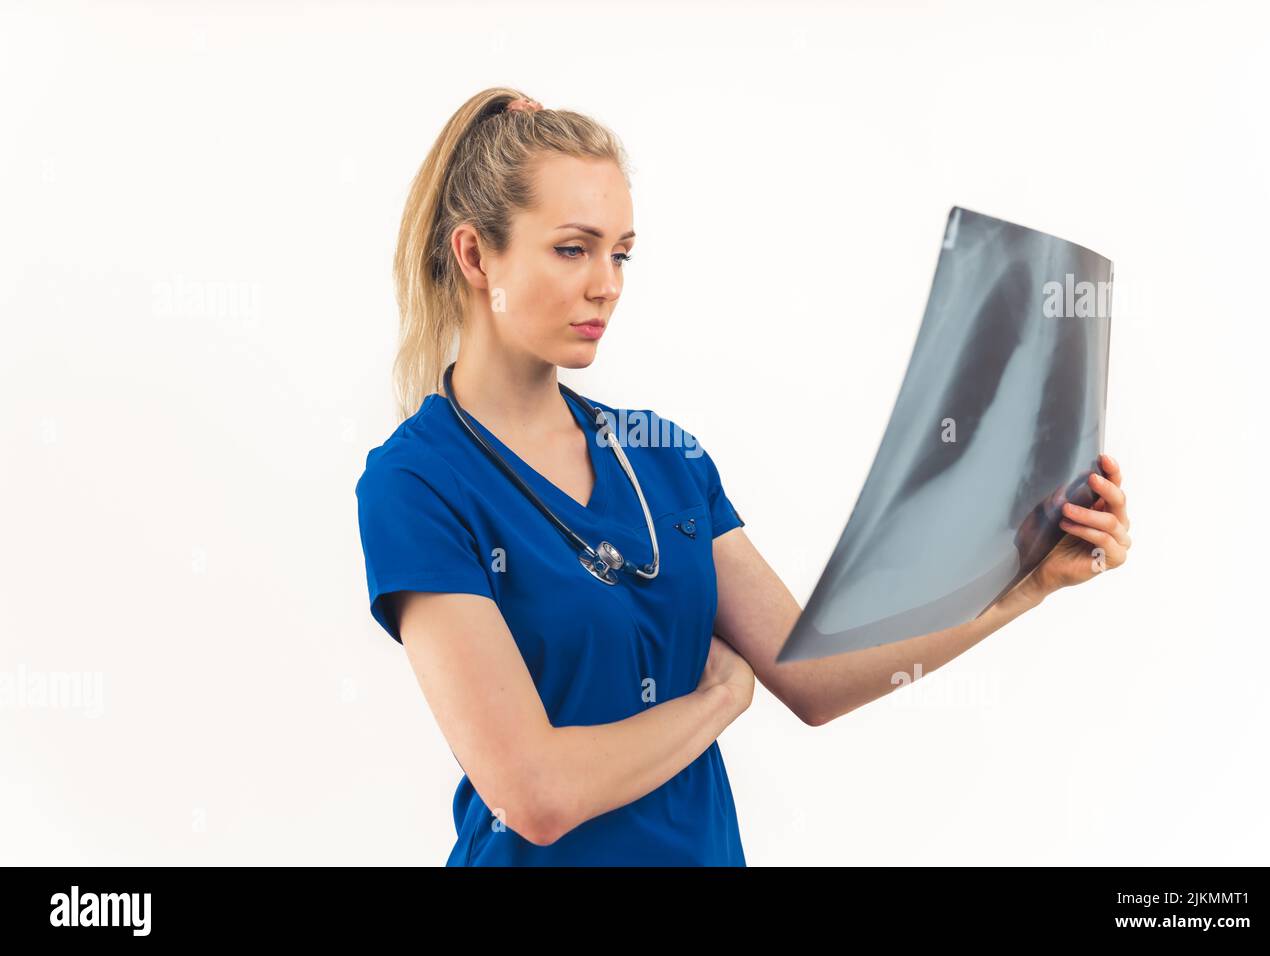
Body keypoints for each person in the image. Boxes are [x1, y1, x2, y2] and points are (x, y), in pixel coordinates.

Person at [354, 87, 1133, 866]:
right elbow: (535, 796)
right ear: (474, 254)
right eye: (573, 249)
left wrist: (1027, 586)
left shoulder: (660, 455)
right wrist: (719, 701)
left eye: (621, 252)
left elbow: (816, 680)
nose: (608, 284)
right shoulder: (417, 485)